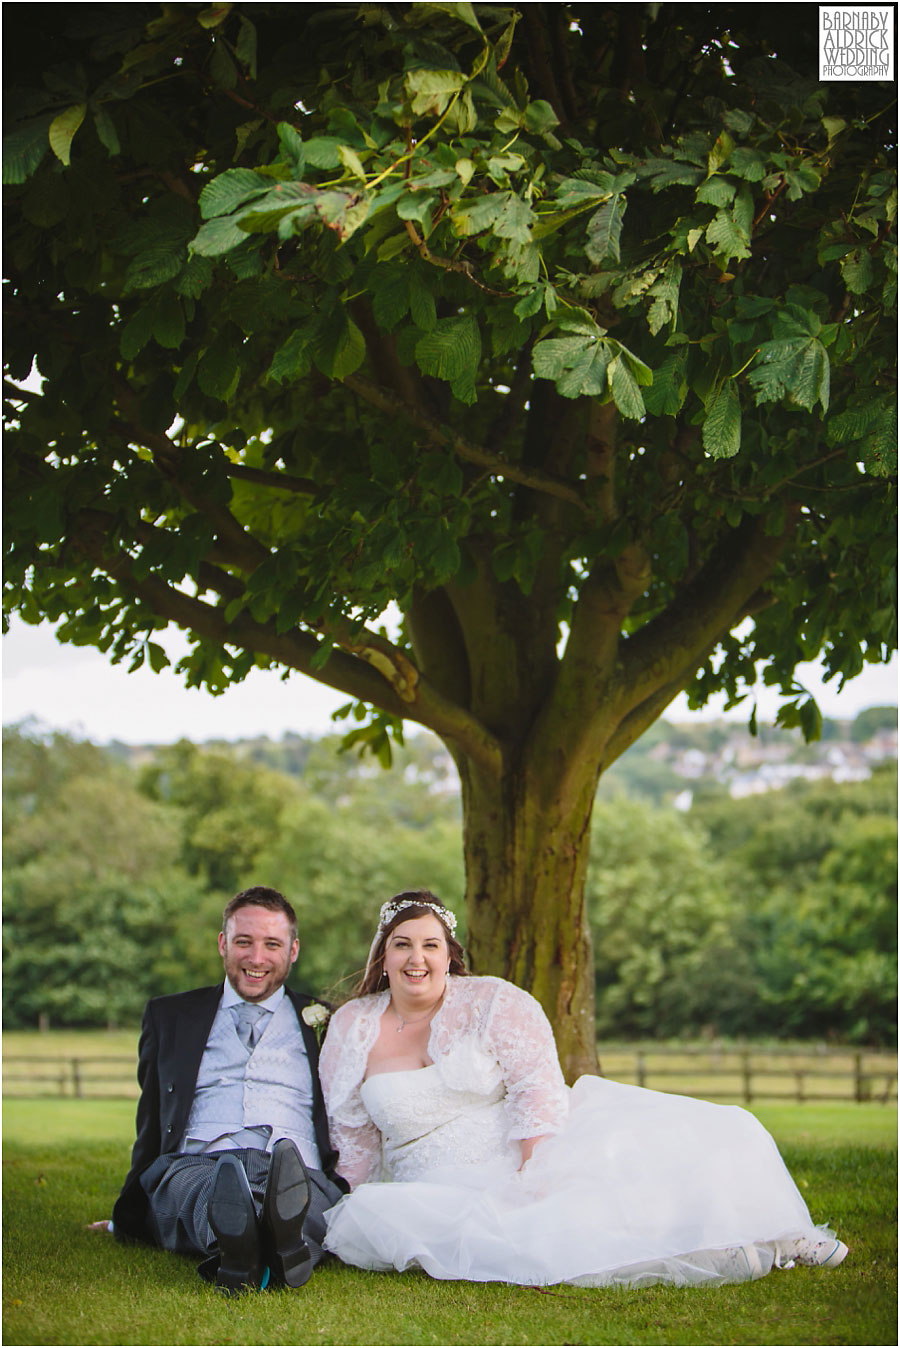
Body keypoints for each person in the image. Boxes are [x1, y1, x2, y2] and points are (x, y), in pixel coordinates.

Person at [318, 891, 849, 1288]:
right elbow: (352, 1132)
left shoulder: (495, 1002)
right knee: (541, 1243)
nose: (417, 959)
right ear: (382, 958)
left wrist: (536, 1174)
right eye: (403, 945)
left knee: (664, 1171)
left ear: (450, 954)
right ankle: (736, 1248)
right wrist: (348, 1196)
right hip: (430, 1182)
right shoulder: (351, 1028)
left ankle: (778, 1233)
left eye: (430, 945)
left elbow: (537, 1088)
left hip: (529, 1152)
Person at [95, 886, 347, 1292]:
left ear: (294, 950)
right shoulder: (169, 1015)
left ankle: (238, 1250)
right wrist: (126, 1212)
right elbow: (151, 1122)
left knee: (305, 1199)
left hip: (294, 1165)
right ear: (222, 943)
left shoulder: (332, 1022)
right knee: (203, 1192)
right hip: (198, 1162)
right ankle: (281, 1249)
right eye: (243, 942)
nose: (256, 958)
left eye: (272, 944)